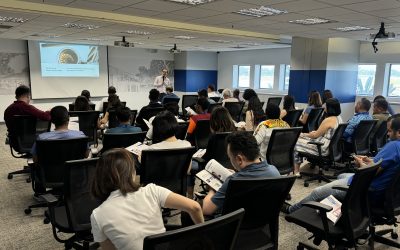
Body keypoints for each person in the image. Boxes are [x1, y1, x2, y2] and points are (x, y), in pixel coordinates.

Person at [90, 148, 204, 250]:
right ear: (132, 173)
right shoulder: (152, 191)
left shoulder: (97, 215)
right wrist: (203, 236)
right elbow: (195, 207)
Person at [285, 116, 400, 214]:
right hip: (385, 194)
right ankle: (332, 205)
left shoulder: (393, 146)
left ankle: (291, 209)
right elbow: (383, 165)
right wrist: (370, 160)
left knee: (317, 192)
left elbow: (368, 174)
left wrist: (360, 164)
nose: (388, 135)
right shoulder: (397, 148)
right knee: (341, 176)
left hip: (365, 190)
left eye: (389, 131)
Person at [202, 131, 280, 215]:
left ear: (239, 159)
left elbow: (206, 209)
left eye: (230, 158)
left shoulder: (234, 181)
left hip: (234, 225)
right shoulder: (274, 171)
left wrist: (212, 188)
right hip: (263, 222)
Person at [188, 106, 236, 198]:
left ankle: (189, 196)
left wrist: (198, 157)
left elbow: (207, 159)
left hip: (214, 168)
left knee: (189, 166)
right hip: (232, 167)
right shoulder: (235, 135)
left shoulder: (214, 137)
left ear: (214, 122)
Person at [294, 98, 342, 175]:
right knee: (303, 137)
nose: (324, 107)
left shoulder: (328, 120)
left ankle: (296, 171)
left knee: (296, 142)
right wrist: (312, 133)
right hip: (331, 148)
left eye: (326, 106)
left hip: (322, 148)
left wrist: (302, 134)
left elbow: (315, 136)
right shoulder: (339, 118)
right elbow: (325, 133)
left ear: (330, 108)